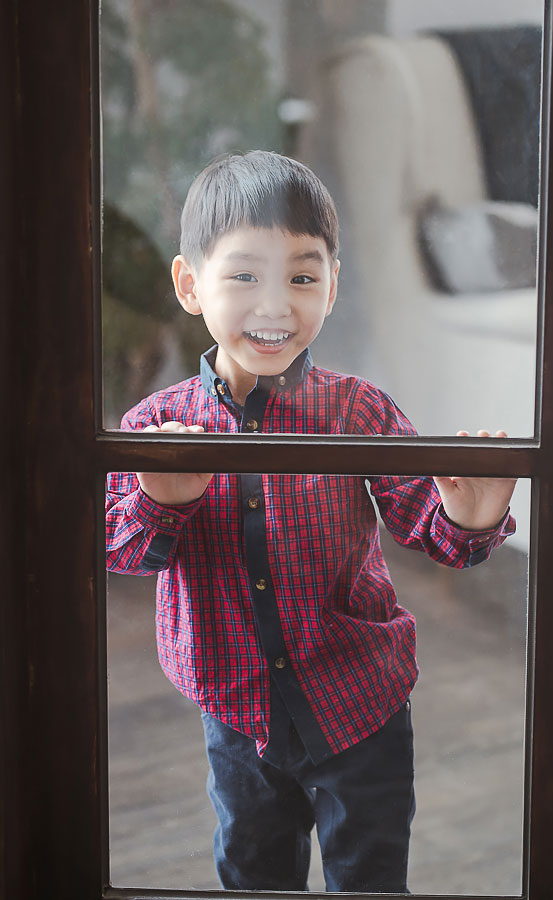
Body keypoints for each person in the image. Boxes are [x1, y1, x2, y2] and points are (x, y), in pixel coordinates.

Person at [105, 150, 516, 893]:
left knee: (370, 875)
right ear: (190, 285)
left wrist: (469, 514)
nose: (275, 305)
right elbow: (121, 550)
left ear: (333, 286)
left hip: (361, 701)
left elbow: (430, 522)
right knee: (253, 873)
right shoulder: (158, 423)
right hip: (235, 712)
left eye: (301, 276)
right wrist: (161, 498)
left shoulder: (358, 409)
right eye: (244, 276)